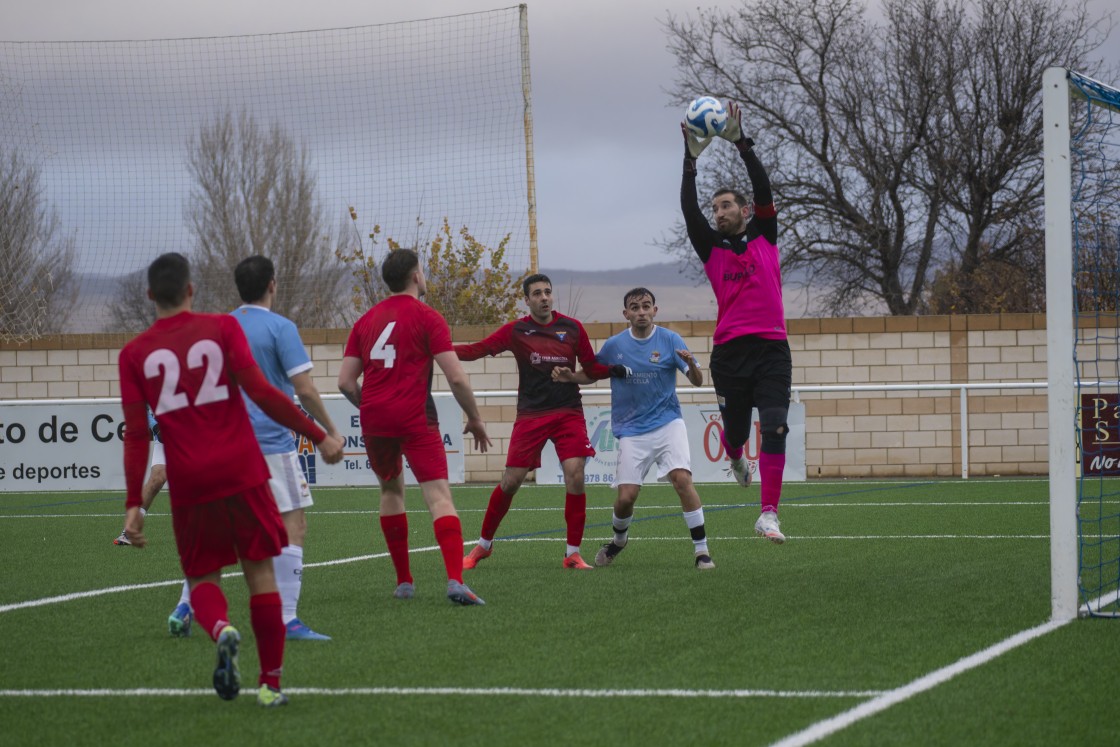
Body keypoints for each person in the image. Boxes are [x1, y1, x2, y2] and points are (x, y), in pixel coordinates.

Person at [118, 252, 345, 708]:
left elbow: (138, 435)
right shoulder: (222, 329)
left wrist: (134, 506)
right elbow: (263, 391)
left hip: (189, 480)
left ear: (148, 296)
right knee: (260, 572)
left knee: (202, 578)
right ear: (190, 290)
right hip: (243, 469)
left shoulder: (134, 354)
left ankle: (222, 629)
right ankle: (270, 684)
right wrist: (319, 434)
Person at [337, 248, 491, 605]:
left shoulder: (364, 321)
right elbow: (456, 377)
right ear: (416, 276)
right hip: (416, 416)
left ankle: (404, 582)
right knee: (438, 495)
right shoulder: (427, 317)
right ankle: (455, 581)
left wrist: (373, 407)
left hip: (374, 419)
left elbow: (345, 382)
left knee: (391, 492)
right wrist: (475, 418)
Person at [455, 273, 627, 571]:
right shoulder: (516, 331)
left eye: (548, 292)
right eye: (537, 293)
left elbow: (591, 367)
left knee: (575, 474)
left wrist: (614, 369)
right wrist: (438, 350)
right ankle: (484, 545)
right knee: (511, 481)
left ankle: (572, 554)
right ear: (527, 300)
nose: (544, 297)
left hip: (567, 413)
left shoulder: (572, 329)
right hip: (531, 415)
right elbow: (476, 351)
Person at [681, 100, 791, 544]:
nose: (718, 212)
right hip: (729, 353)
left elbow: (763, 190)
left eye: (726, 205)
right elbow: (688, 210)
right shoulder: (712, 248)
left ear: (744, 210)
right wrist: (690, 159)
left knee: (777, 423)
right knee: (736, 434)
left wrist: (742, 144)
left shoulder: (766, 234)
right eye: (716, 208)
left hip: (771, 348)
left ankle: (768, 514)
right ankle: (735, 457)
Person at [553, 287, 713, 568]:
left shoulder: (670, 339)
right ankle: (619, 540)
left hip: (668, 423)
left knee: (682, 480)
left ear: (655, 310)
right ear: (625, 313)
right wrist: (570, 377)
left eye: (646, 306)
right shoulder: (615, 346)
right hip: (631, 430)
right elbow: (593, 373)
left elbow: (698, 381)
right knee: (626, 498)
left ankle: (701, 551)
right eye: (635, 307)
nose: (641, 312)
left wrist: (691, 364)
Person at [232, 255, 343, 641]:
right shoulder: (280, 327)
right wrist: (329, 431)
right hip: (270, 443)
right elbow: (305, 389)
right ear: (273, 285)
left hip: (227, 443)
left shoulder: (223, 327)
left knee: (222, 530)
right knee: (293, 524)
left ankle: (186, 604)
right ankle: (287, 619)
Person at [112, 408, 195, 636]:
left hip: (194, 433)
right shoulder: (153, 375)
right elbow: (144, 407)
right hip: (166, 436)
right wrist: (156, 426)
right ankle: (130, 530)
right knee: (158, 478)